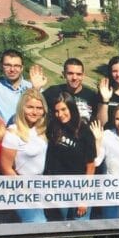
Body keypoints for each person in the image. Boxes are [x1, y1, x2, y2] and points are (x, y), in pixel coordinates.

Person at [45, 92, 97, 220]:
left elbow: (90, 166)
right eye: (57, 111)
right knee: (62, 226)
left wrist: (84, 197)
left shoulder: (84, 131)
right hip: (59, 190)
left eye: (64, 109)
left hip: (79, 188)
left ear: (72, 108)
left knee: (79, 228)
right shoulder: (53, 127)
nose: (60, 114)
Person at [0, 89, 49, 223]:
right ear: (22, 108)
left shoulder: (40, 130)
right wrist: (24, 190)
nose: (34, 112)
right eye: (30, 107)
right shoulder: (12, 133)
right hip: (21, 189)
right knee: (38, 224)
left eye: (39, 108)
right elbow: (6, 168)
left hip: (40, 187)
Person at [0, 50, 47, 121]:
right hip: (5, 133)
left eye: (16, 66)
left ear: (22, 68)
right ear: (2, 66)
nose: (12, 69)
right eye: (8, 65)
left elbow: (42, 113)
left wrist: (35, 90)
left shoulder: (33, 87)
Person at [43, 58, 100, 122]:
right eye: (70, 73)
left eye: (78, 74)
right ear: (64, 74)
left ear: (83, 75)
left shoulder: (92, 96)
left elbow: (99, 121)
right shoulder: (52, 92)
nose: (74, 78)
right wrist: (36, 88)